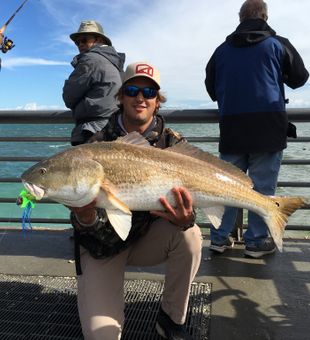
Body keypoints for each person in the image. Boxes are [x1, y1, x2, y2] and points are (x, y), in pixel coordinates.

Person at [68, 61, 202, 340]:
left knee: (190, 236)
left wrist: (186, 218)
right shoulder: (97, 144)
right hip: (102, 247)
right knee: (100, 336)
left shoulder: (174, 144)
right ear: (121, 97)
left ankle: (171, 319)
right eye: (132, 90)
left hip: (148, 240)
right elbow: (82, 223)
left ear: (157, 101)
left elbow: (193, 201)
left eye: (149, 92)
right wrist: (85, 216)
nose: (140, 98)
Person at [204, 0, 309, 258]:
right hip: (267, 128)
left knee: (224, 186)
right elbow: (300, 78)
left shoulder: (221, 50)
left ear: (240, 19)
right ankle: (257, 242)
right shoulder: (277, 44)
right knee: (262, 188)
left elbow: (211, 87)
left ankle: (219, 237)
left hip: (232, 129)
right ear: (265, 16)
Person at [63, 20, 125, 146]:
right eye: (77, 42)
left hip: (92, 132)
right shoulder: (115, 61)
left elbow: (69, 96)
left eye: (84, 40)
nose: (80, 44)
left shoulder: (90, 59)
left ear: (99, 40)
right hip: (114, 128)